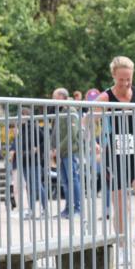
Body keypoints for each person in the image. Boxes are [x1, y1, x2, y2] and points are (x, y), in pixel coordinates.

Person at [97, 56, 135, 241]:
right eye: (121, 79)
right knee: (120, 204)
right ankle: (121, 245)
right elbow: (88, 118)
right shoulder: (106, 97)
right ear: (114, 76)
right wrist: (93, 143)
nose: (125, 83)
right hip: (114, 154)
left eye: (128, 78)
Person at [51, 88, 83, 218]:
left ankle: (77, 208)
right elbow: (56, 133)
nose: (53, 99)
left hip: (70, 151)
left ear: (61, 97)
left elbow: (72, 134)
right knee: (65, 181)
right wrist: (53, 148)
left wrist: (58, 148)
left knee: (73, 179)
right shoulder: (62, 111)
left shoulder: (71, 110)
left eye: (55, 96)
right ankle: (69, 208)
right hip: (62, 152)